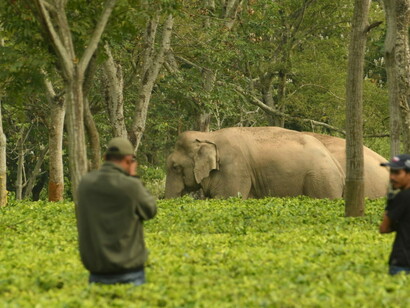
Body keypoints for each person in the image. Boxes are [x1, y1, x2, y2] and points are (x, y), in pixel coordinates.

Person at [76, 137, 157, 285]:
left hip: (97, 272)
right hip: (129, 272)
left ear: (105, 158)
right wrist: (134, 177)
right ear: (128, 160)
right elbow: (150, 210)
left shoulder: (85, 184)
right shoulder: (131, 186)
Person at [379, 154, 410, 275]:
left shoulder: (403, 197)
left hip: (403, 263)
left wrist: (390, 205)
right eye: (391, 172)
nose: (392, 177)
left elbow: (384, 228)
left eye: (397, 173)